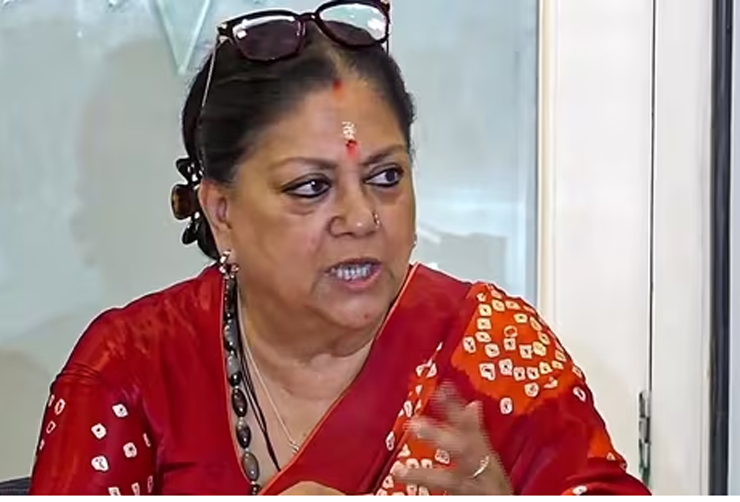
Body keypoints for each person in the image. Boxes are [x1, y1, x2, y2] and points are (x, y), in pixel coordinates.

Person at [28, 0, 650, 496]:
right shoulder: (132, 371)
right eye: (311, 187)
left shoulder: (489, 348)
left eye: (386, 177)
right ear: (222, 213)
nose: (361, 218)